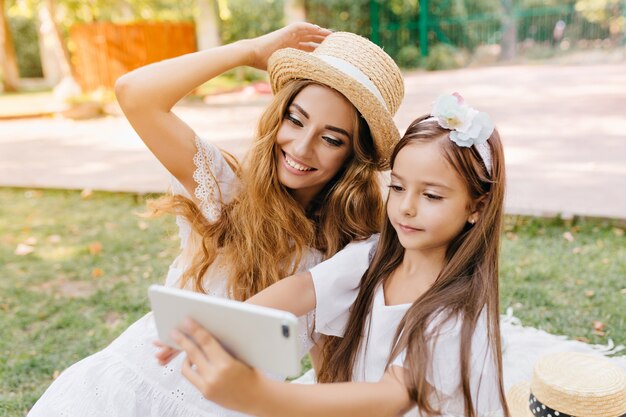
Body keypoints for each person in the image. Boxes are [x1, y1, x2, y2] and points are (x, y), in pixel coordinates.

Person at [27, 23, 404, 417]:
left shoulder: (345, 254)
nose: (302, 147)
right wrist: (246, 50)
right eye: (295, 119)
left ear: (353, 155)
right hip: (128, 393)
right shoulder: (227, 190)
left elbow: (330, 369)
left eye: (331, 139)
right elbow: (135, 94)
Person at [171, 93, 510, 417]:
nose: (406, 208)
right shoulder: (373, 255)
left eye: (431, 196)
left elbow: (391, 397)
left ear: (476, 208)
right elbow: (303, 289)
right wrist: (218, 327)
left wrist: (257, 395)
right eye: (397, 187)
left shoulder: (456, 310)